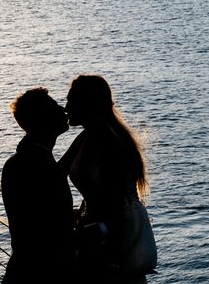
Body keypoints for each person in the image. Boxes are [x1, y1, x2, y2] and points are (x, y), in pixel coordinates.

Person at [60, 75, 156, 284]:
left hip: (113, 230)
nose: (65, 108)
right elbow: (55, 173)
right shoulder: (86, 137)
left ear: (87, 104)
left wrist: (97, 232)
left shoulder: (110, 144)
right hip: (97, 223)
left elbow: (114, 201)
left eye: (71, 102)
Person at [1, 88, 76, 284]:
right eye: (54, 107)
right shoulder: (35, 166)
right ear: (43, 120)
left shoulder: (22, 161)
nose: (63, 109)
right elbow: (48, 231)